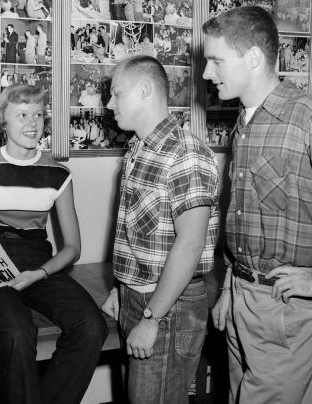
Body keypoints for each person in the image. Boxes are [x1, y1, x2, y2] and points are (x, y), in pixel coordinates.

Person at [203, 6, 312, 404]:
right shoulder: (247, 121)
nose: (207, 73)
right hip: (242, 297)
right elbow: (245, 215)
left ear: (253, 57)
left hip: (286, 308)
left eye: (216, 60)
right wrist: (230, 288)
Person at [0, 84, 108, 404]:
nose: (32, 122)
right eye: (22, 114)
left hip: (39, 263)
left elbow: (72, 248)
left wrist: (39, 274)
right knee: (16, 334)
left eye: (39, 114)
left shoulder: (57, 174)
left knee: (91, 326)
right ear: (2, 120)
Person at [102, 54, 219, 404]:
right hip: (136, 298)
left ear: (144, 90)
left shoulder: (186, 153)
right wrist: (121, 289)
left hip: (169, 308)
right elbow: (135, 232)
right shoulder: (137, 148)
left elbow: (191, 243)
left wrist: (152, 317)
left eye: (116, 94)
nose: (110, 104)